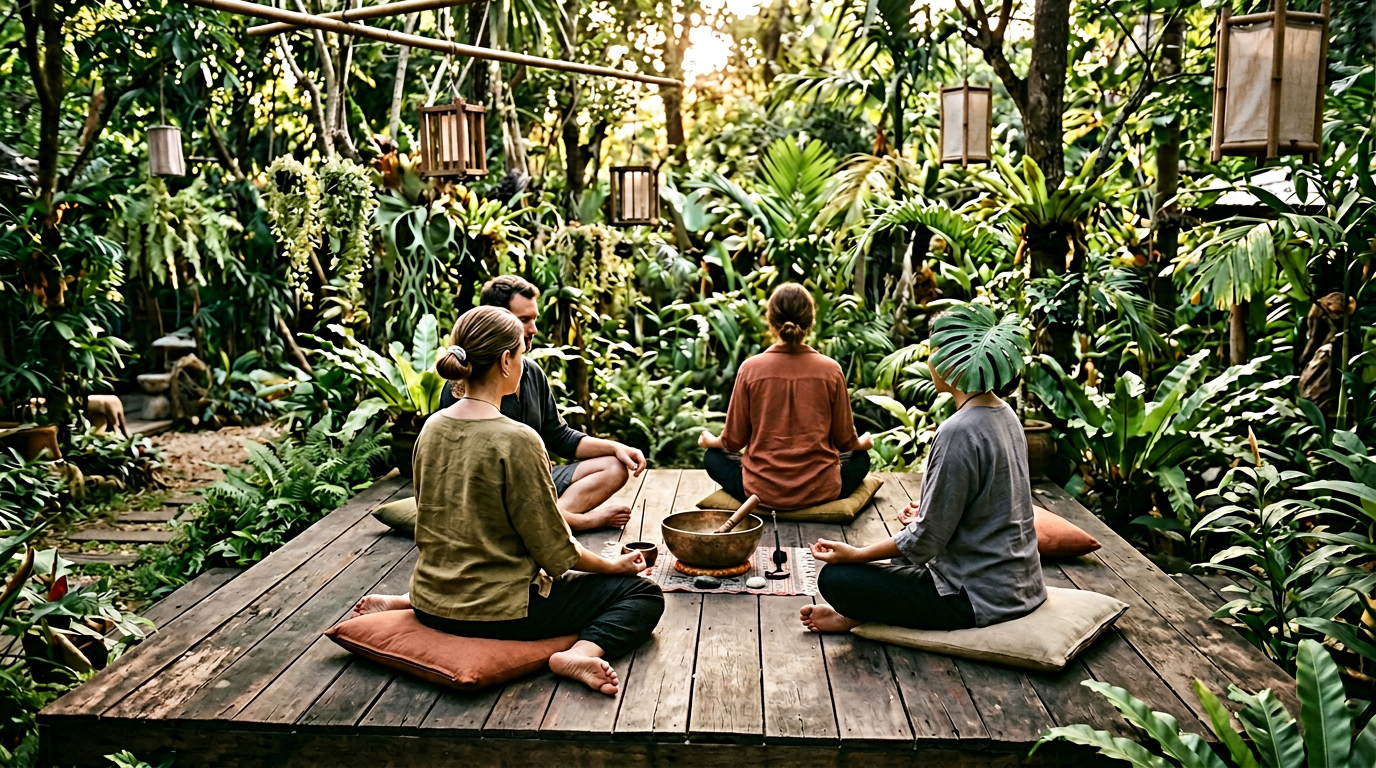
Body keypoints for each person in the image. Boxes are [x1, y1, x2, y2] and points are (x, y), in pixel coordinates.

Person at [354, 306, 664, 695]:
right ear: (505, 361)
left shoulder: (431, 428)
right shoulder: (517, 440)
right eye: (521, 351)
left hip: (433, 601)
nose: (524, 360)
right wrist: (612, 566)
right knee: (642, 594)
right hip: (499, 611)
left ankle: (408, 601)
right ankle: (580, 653)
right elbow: (556, 553)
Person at [798, 319, 1045, 634]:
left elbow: (925, 541)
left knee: (837, 578)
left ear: (953, 361)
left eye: (934, 351)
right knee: (901, 558)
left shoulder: (957, 431)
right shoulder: (1006, 415)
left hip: (975, 598)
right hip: (1023, 586)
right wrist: (928, 512)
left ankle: (854, 614)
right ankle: (858, 614)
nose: (929, 360)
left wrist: (857, 554)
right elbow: (988, 504)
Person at [439, 276, 645, 532]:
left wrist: (616, 447)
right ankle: (572, 522)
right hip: (495, 493)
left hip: (538, 480)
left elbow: (558, 435)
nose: (534, 328)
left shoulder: (531, 372)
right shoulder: (464, 385)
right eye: (524, 320)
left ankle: (555, 519)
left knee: (615, 466)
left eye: (534, 319)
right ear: (498, 321)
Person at [697, 283, 874, 510]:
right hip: (820, 489)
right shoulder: (830, 370)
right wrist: (863, 443)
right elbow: (845, 442)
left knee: (713, 458)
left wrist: (711, 442)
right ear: (810, 321)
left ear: (771, 321)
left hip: (760, 491)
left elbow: (733, 441)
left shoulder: (750, 369)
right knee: (860, 459)